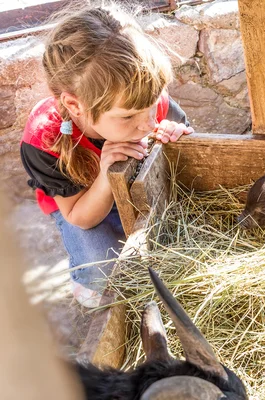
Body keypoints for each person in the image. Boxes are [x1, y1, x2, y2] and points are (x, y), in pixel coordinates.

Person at [20, 3, 193, 307]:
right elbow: (80, 218)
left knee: (176, 231)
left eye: (152, 105)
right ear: (75, 106)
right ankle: (85, 280)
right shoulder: (43, 139)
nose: (148, 122)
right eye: (128, 118)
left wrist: (175, 137)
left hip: (131, 183)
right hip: (81, 201)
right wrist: (104, 177)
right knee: (105, 269)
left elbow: (187, 146)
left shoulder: (145, 101)